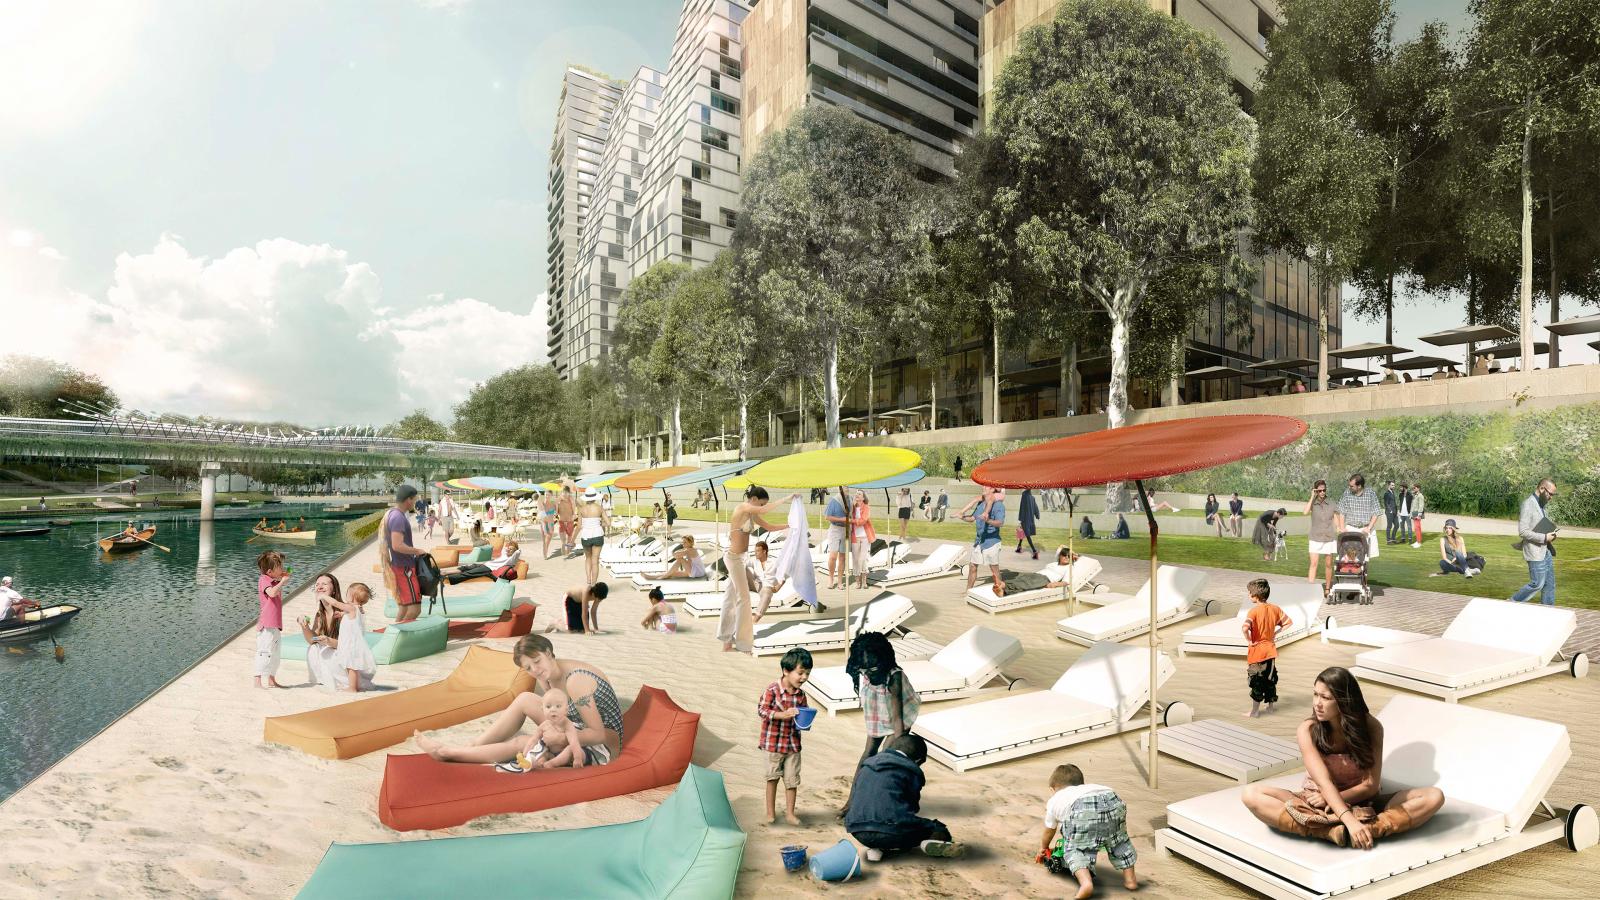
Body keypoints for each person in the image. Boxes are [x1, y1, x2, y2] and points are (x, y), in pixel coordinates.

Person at [1241, 667, 1444, 848]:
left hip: (1365, 803)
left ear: (1345, 700)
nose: (1317, 704)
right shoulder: (1308, 729)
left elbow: (1371, 785)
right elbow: (1324, 783)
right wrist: (1347, 817)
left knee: (1434, 796)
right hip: (1314, 803)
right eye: (1315, 695)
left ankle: (1371, 828)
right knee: (1251, 794)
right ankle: (1325, 830)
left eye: (1326, 698)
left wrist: (1343, 808)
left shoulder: (1371, 728)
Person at [416, 634, 624, 767]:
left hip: (605, 744)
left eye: (537, 661)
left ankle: (448, 753)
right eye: (528, 668)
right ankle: (473, 746)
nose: (535, 670)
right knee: (525, 698)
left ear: (549, 653)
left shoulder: (576, 681)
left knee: (523, 743)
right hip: (574, 726)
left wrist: (559, 739)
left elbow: (598, 734)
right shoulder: (547, 675)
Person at [845, 734, 963, 861]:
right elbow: (912, 807)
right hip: (891, 829)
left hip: (857, 829)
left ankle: (876, 848)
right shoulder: (911, 770)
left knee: (882, 816)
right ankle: (930, 841)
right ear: (918, 760)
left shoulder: (867, 765)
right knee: (936, 827)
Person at [839, 632, 919, 816]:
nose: (867, 674)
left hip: (901, 714)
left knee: (883, 759)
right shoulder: (867, 667)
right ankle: (851, 801)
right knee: (867, 755)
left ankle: (875, 803)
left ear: (883, 662)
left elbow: (897, 718)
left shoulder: (894, 677)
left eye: (871, 670)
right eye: (863, 669)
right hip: (879, 711)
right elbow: (867, 671)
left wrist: (896, 752)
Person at [1037, 764, 1138, 898]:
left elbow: (1049, 830)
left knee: (1076, 849)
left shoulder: (1055, 799)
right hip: (1111, 798)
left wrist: (1043, 847)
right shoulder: (1092, 787)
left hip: (1082, 808)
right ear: (1081, 783)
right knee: (1119, 841)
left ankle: (1086, 884)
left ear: (1052, 789)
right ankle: (1130, 880)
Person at [720, 486, 798, 653]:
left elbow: (768, 527)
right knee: (744, 598)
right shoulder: (742, 508)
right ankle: (743, 642)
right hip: (733, 557)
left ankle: (726, 640)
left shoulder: (751, 513)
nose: (761, 507)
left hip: (740, 558)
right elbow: (765, 509)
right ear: (754, 499)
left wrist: (789, 525)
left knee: (730, 598)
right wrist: (787, 497)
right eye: (761, 503)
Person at [759, 647, 812, 826]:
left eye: (807, 673)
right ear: (786, 671)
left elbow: (802, 717)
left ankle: (790, 814)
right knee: (772, 778)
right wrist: (783, 714)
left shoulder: (801, 695)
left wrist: (805, 721)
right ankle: (769, 813)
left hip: (793, 744)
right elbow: (762, 710)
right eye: (801, 673)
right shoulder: (772, 690)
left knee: (792, 780)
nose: (804, 677)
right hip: (772, 743)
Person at [302, 579, 376, 693]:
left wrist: (323, 596)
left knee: (351, 666)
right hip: (355, 643)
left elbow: (336, 603)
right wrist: (342, 614)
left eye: (347, 593)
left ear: (351, 597)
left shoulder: (351, 608)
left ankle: (352, 688)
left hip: (350, 643)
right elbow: (353, 617)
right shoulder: (358, 609)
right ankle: (355, 686)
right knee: (352, 666)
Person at [499, 689, 586, 772]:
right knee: (541, 752)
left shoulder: (567, 725)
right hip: (552, 754)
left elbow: (574, 743)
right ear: (543, 710)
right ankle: (537, 763)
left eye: (558, 706)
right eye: (548, 706)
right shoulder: (544, 725)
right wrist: (525, 754)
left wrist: (577, 758)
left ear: (566, 710)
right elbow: (533, 740)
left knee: (571, 749)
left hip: (573, 754)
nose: (553, 709)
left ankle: (552, 763)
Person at [1242, 578, 1291, 718]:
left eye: (1249, 593)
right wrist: (1275, 632)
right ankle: (1270, 707)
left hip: (1257, 652)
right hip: (1270, 651)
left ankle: (1254, 712)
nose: (1248, 595)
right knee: (1270, 678)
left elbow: (1245, 628)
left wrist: (1249, 640)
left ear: (1254, 596)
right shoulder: (1275, 609)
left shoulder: (1253, 612)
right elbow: (1288, 623)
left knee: (1256, 681)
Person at [382, 485, 428, 624]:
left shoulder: (392, 513)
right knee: (414, 609)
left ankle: (393, 633)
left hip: (400, 566)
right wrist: (417, 551)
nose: (414, 502)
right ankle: (401, 638)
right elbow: (397, 545)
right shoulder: (398, 518)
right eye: (414, 499)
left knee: (403, 607)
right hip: (405, 569)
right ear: (408, 499)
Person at [1510, 478, 1559, 605]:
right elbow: (1523, 531)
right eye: (1551, 494)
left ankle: (1548, 612)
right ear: (1542, 488)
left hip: (1545, 551)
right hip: (1535, 552)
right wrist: (1544, 538)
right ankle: (1512, 602)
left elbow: (1538, 525)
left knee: (1549, 585)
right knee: (1537, 584)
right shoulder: (1528, 504)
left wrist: (1550, 535)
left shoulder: (1540, 504)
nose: (1551, 497)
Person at [959, 486, 1006, 594]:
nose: (984, 487)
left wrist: (988, 520)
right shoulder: (981, 504)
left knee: (994, 569)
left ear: (993, 490)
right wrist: (962, 517)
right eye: (983, 485)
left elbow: (1000, 523)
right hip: (979, 541)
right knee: (972, 566)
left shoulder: (999, 505)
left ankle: (1001, 591)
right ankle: (968, 591)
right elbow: (972, 518)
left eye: (987, 486)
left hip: (992, 542)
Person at [254, 551, 289, 689]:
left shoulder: (273, 580)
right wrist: (282, 582)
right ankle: (257, 680)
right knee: (264, 651)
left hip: (274, 624)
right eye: (279, 567)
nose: (282, 569)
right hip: (266, 625)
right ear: (269, 571)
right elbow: (272, 593)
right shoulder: (264, 580)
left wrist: (280, 579)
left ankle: (271, 679)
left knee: (275, 653)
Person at [1335, 474, 1381, 561]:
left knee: (1365, 558)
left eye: (1351, 486)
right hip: (1351, 528)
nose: (1349, 487)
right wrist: (1341, 528)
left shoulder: (1370, 493)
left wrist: (1369, 528)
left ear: (1359, 486)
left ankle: (1363, 573)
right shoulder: (1347, 493)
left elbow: (1376, 512)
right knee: (1347, 556)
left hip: (1366, 529)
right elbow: (1342, 511)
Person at [1305, 480, 1338, 591]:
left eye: (1324, 490)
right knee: (1313, 563)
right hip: (1315, 537)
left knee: (1328, 564)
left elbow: (1336, 520)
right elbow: (1305, 512)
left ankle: (1327, 588)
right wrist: (1311, 496)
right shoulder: (1313, 503)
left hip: (1329, 537)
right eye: (1320, 490)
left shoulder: (1332, 503)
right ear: (1316, 491)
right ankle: (1310, 590)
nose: (1322, 492)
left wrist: (1340, 530)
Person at [577, 489, 611, 586]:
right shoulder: (599, 508)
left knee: (588, 558)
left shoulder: (581, 509)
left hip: (586, 536)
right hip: (597, 535)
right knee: (595, 561)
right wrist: (600, 523)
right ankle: (593, 583)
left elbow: (579, 526)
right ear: (594, 497)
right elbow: (608, 523)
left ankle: (588, 580)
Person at [751, 540, 787, 622]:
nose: (755, 553)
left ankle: (755, 618)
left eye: (757, 551)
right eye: (755, 551)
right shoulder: (753, 562)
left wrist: (777, 588)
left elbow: (783, 577)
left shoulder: (774, 563)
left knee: (767, 593)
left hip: (766, 587)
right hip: (755, 584)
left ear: (764, 551)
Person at [849, 490, 876, 591]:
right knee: (855, 560)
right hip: (855, 537)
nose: (857, 495)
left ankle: (864, 581)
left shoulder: (866, 507)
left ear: (863, 498)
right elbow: (847, 517)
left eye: (859, 494)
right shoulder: (852, 508)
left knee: (863, 559)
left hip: (865, 536)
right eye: (856, 493)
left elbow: (863, 520)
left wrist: (852, 521)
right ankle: (857, 582)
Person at [823, 489, 849, 590]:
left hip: (846, 530)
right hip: (835, 529)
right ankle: (830, 579)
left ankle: (840, 582)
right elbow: (827, 517)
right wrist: (841, 519)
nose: (846, 489)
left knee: (842, 557)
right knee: (833, 556)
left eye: (847, 487)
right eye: (844, 487)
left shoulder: (850, 500)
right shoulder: (834, 501)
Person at [1015, 488, 1040, 559]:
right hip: (1030, 519)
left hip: (1025, 518)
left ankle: (1035, 551)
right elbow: (1035, 507)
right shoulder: (1032, 497)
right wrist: (1037, 515)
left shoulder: (1024, 496)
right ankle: (1019, 547)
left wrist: (1020, 519)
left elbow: (1022, 507)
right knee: (1023, 531)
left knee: (1027, 535)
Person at [556, 485, 577, 556]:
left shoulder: (571, 500)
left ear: (569, 493)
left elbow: (574, 511)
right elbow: (556, 512)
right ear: (561, 493)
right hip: (561, 521)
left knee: (569, 537)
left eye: (566, 492)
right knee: (563, 539)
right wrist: (557, 503)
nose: (564, 494)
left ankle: (568, 549)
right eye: (563, 492)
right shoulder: (559, 501)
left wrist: (574, 516)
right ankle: (563, 545)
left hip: (570, 521)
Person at [537, 491, 556, 558]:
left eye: (548, 495)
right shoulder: (542, 504)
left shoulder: (553, 504)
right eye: (546, 495)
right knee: (544, 540)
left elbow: (557, 513)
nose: (547, 496)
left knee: (548, 540)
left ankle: (545, 552)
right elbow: (539, 515)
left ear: (551, 496)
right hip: (543, 524)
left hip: (551, 524)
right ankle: (545, 553)